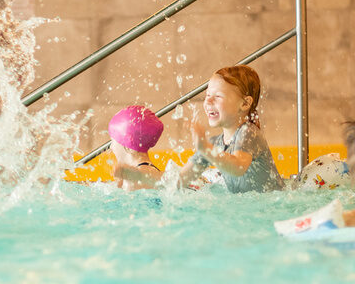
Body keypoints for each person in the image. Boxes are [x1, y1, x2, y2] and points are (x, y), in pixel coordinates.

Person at [180, 65, 283, 193]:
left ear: (245, 104)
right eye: (207, 95)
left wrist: (206, 149)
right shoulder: (213, 144)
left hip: (274, 206)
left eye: (218, 96)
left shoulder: (249, 132)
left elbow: (238, 167)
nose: (209, 101)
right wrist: (148, 176)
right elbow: (180, 180)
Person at [109, 106, 165, 190]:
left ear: (127, 142)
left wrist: (127, 172)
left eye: (112, 141)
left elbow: (140, 175)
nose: (111, 147)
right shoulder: (150, 171)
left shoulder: (135, 179)